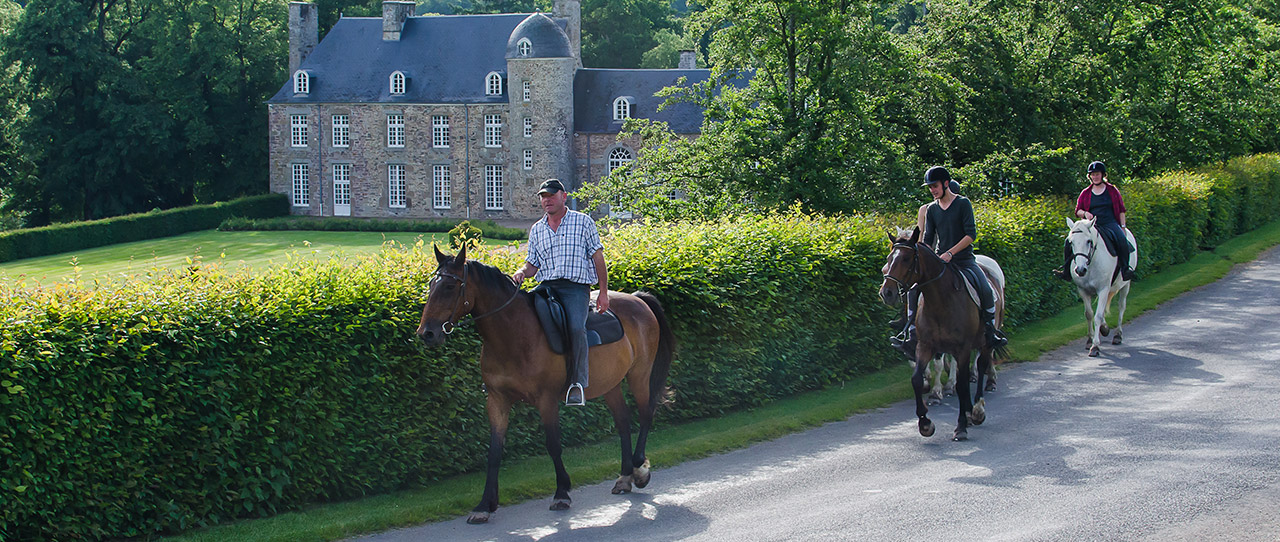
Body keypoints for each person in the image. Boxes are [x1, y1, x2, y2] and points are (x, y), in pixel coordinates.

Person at [511, 179, 610, 406]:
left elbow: (597, 257)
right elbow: (532, 264)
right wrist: (520, 272)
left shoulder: (582, 222)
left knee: (576, 327)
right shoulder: (537, 229)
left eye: (551, 196)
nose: (547, 200)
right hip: (546, 287)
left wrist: (603, 292)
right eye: (543, 197)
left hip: (575, 289)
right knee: (520, 318)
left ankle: (578, 383)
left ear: (563, 197)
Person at [891, 166, 1007, 357]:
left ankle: (991, 331)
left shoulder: (963, 204)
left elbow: (971, 235)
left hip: (964, 260)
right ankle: (910, 334)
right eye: (930, 187)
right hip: (940, 262)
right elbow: (928, 239)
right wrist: (923, 256)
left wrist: (951, 253)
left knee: (986, 290)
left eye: (934, 186)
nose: (932, 190)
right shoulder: (933, 209)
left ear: (946, 184)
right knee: (913, 291)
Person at [1054, 161, 1134, 281]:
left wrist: (1122, 227)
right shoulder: (1085, 193)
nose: (1095, 177)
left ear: (1102, 175)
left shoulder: (1112, 190)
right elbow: (1078, 211)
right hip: (1090, 226)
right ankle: (1066, 271)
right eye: (1093, 174)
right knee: (1068, 241)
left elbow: (1121, 210)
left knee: (1122, 240)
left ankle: (1125, 269)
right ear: (1090, 176)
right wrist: (1085, 213)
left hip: (1109, 223)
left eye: (1097, 174)